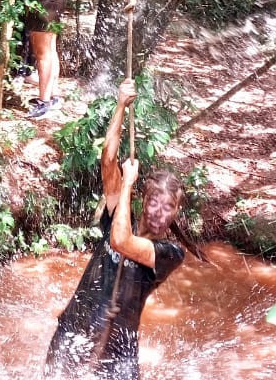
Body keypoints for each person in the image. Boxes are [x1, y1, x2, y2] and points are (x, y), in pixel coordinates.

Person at [44, 79, 203, 380]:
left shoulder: (169, 253)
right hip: (75, 328)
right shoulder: (120, 213)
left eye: (168, 207)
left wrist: (128, 183)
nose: (159, 213)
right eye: (154, 202)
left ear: (176, 212)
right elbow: (108, 161)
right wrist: (120, 106)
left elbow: (121, 241)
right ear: (143, 200)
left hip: (118, 351)